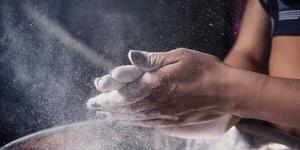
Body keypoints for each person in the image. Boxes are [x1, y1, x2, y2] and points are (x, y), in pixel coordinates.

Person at [87, 0, 300, 139]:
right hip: (284, 146)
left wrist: (227, 92)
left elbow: (233, 90)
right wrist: (212, 106)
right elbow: (249, 53)